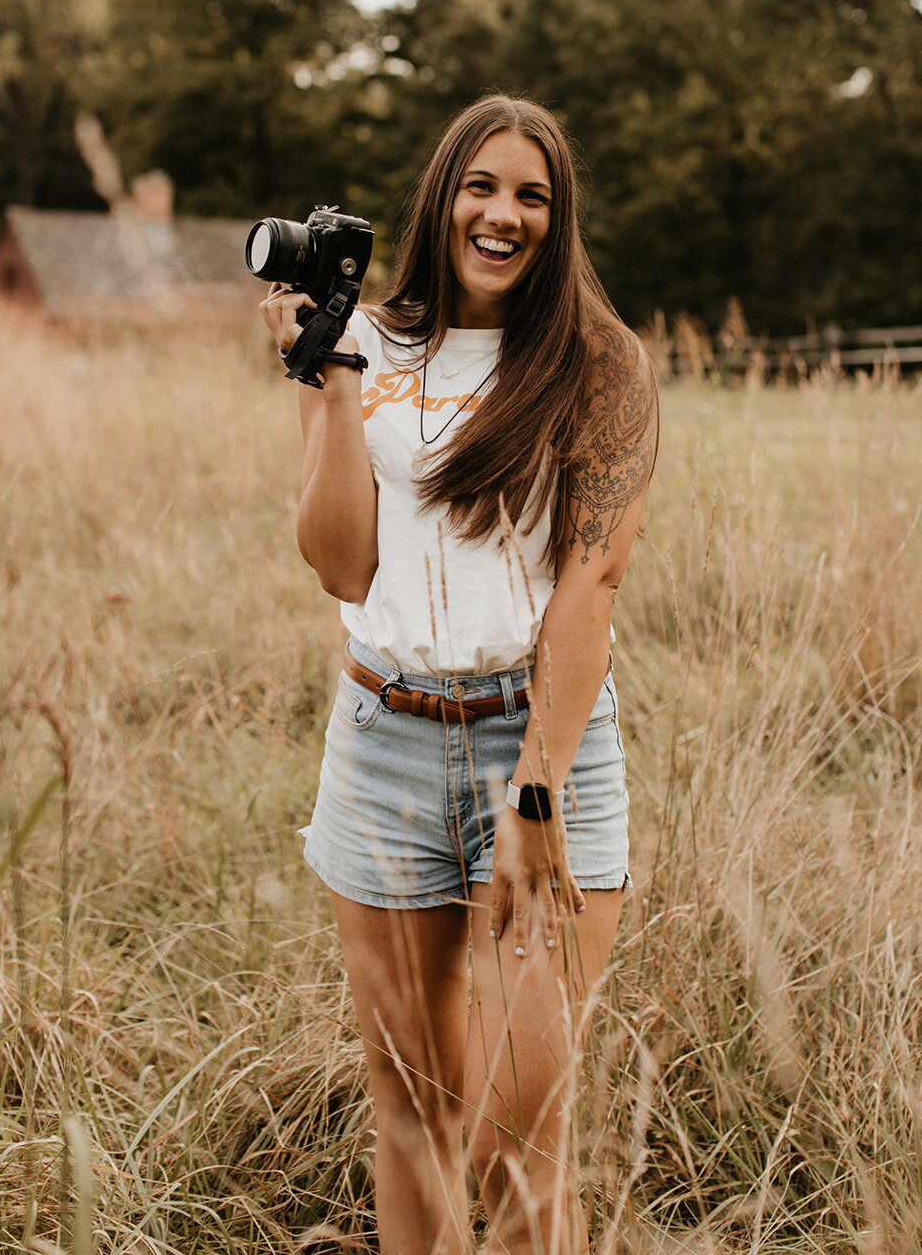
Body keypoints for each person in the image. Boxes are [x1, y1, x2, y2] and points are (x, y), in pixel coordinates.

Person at [260, 96, 658, 1255]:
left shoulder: (601, 366)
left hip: (541, 750)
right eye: (481, 186)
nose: (503, 212)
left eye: (531, 194)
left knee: (514, 1136)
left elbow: (589, 595)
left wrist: (533, 792)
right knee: (411, 1112)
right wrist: (332, 382)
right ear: (442, 199)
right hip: (380, 739)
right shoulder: (364, 342)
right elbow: (340, 562)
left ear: (557, 217)